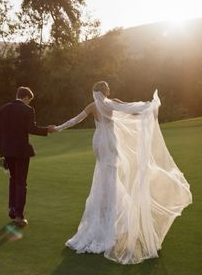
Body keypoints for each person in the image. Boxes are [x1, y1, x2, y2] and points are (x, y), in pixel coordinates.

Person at [56, 81, 192, 265]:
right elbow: (131, 109)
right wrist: (149, 106)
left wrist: (58, 128)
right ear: (106, 91)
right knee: (110, 177)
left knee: (103, 176)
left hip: (99, 142)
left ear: (94, 92)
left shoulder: (92, 106)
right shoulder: (112, 103)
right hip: (110, 142)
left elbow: (75, 120)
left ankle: (104, 213)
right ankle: (112, 219)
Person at [0, 86, 56, 227]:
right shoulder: (27, 110)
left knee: (13, 179)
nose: (29, 103)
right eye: (29, 100)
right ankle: (19, 216)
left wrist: (0, 151)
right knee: (21, 182)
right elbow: (31, 129)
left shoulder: (3, 109)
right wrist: (47, 130)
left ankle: (12, 209)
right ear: (26, 97)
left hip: (6, 151)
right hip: (21, 152)